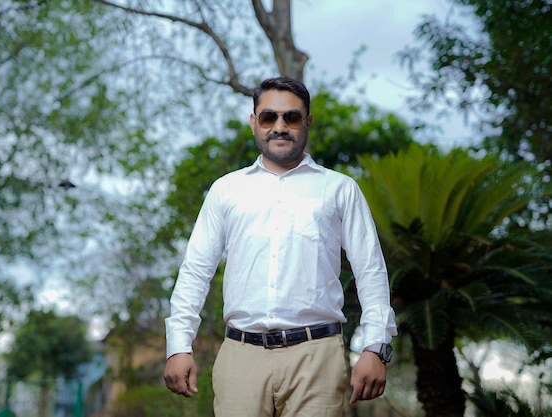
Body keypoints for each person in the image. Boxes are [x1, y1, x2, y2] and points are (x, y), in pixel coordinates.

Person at [164, 76, 397, 417]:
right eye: (268, 117)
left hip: (318, 357)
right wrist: (178, 346)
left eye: (291, 117)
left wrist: (375, 348)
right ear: (253, 122)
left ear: (307, 122)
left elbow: (371, 271)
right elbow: (196, 271)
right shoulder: (226, 191)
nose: (279, 126)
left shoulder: (340, 190)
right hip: (240, 356)